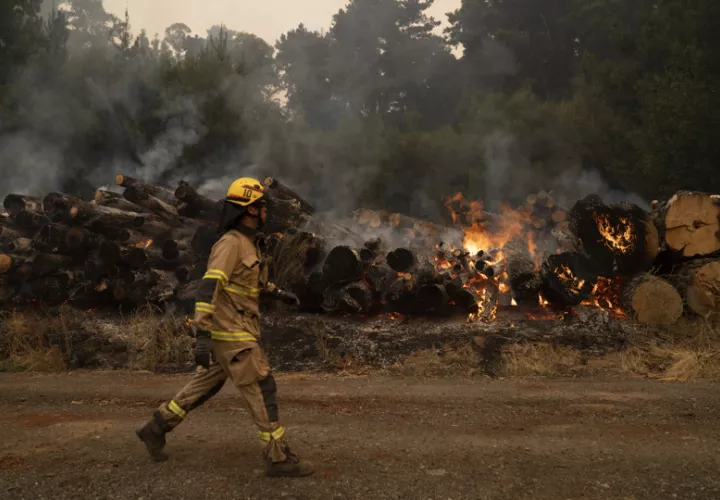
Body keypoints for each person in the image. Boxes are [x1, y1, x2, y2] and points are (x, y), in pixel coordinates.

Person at [135, 177, 314, 478]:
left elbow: (247, 282)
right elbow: (209, 288)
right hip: (232, 333)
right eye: (262, 207)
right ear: (250, 210)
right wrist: (202, 334)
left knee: (206, 384)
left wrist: (278, 292)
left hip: (232, 331)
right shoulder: (230, 244)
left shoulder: (248, 244)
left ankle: (156, 427)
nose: (267, 212)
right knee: (261, 386)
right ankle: (278, 456)